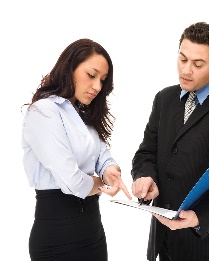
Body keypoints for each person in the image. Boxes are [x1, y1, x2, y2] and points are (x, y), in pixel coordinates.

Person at [131, 22, 209, 261]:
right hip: (163, 241)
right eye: (182, 59)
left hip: (208, 245)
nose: (186, 70)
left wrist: (199, 216)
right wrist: (145, 176)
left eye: (198, 64)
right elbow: (146, 152)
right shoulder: (164, 99)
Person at [22, 38, 132, 261]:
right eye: (91, 75)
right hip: (57, 236)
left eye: (102, 80)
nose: (97, 87)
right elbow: (72, 181)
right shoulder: (43, 112)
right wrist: (102, 183)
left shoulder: (82, 114)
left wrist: (110, 169)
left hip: (93, 231)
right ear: (69, 67)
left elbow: (101, 152)